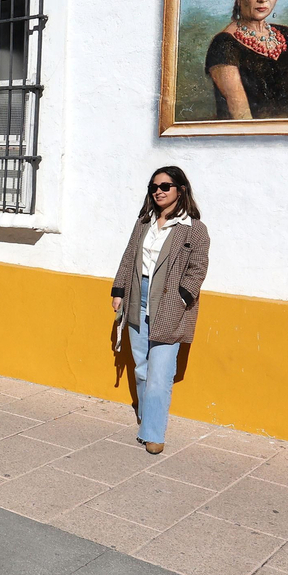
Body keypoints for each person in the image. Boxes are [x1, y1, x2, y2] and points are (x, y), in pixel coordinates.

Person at [109, 167, 210, 454]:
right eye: (155, 186)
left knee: (159, 374)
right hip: (137, 298)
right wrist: (119, 291)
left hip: (169, 304)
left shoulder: (194, 228)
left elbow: (198, 268)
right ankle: (147, 416)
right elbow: (129, 256)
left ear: (181, 189)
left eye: (166, 186)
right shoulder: (144, 222)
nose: (159, 191)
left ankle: (153, 432)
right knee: (141, 369)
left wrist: (181, 297)